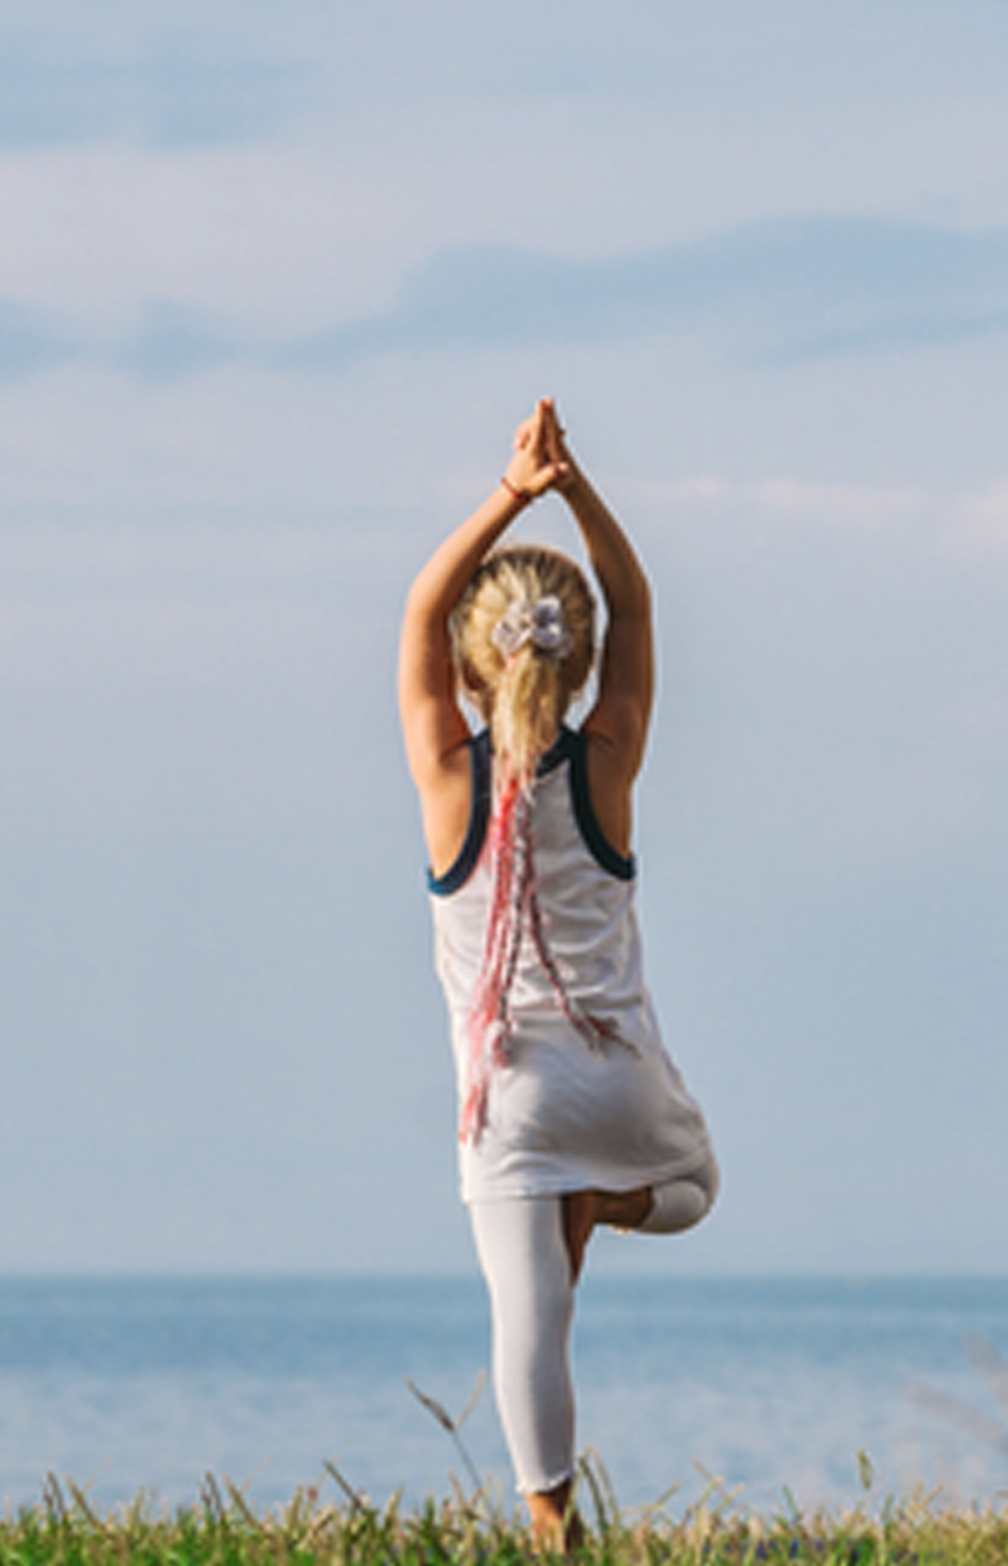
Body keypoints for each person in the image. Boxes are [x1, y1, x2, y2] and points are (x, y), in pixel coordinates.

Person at [398, 399, 719, 1548]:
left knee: (528, 1313)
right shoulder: (610, 759)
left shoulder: (449, 776)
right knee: (695, 1188)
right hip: (618, 1081)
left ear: (470, 663)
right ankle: (606, 1197)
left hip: (509, 1097)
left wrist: (510, 491)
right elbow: (635, 603)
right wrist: (574, 488)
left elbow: (420, 607)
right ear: (576, 663)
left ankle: (548, 1523)